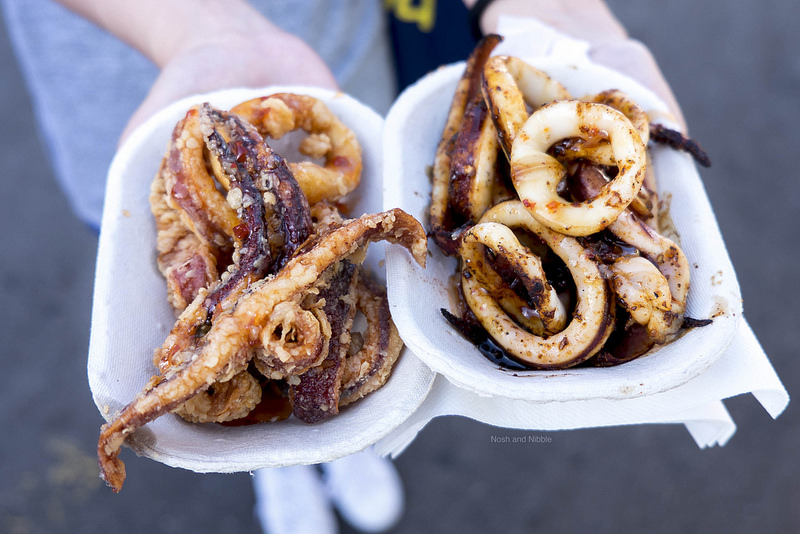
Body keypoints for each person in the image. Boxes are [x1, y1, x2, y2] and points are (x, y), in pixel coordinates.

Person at [1, 0, 687, 532]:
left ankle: (341, 437)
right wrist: (194, 29)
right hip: (115, 65)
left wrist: (560, 12)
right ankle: (274, 463)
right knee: (229, 347)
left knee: (333, 344)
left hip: (334, 41)